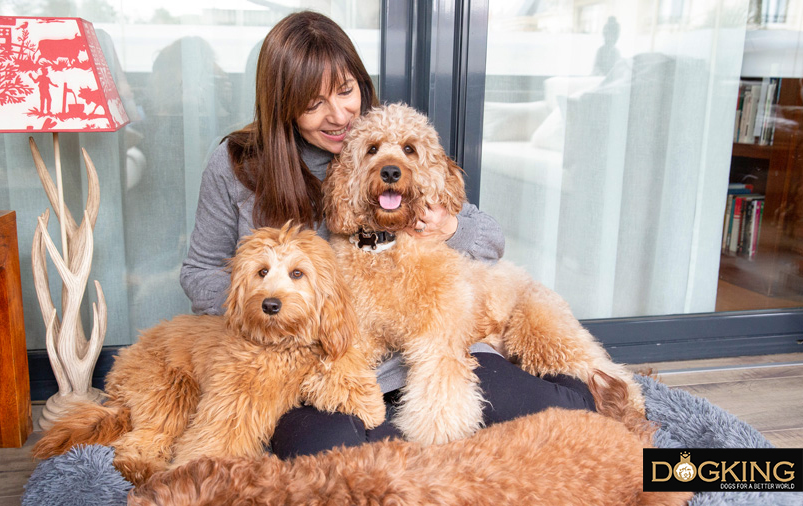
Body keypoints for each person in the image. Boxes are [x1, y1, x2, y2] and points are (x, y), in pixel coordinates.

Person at [180, 11, 596, 459]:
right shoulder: (236, 164)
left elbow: (490, 239)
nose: (339, 115)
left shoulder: (380, 139)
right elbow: (199, 271)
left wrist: (448, 227)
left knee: (562, 410)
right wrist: (274, 303)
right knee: (322, 454)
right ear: (283, 104)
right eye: (314, 103)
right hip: (319, 360)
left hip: (424, 349)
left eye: (346, 91)